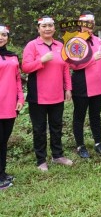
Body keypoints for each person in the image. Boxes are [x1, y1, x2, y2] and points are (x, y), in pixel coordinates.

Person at [22, 16, 73, 171]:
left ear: (54, 29)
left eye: (50, 25)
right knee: (39, 129)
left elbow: (65, 68)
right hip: (38, 96)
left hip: (57, 94)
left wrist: (68, 88)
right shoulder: (32, 46)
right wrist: (42, 60)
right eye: (44, 26)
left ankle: (57, 155)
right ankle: (41, 159)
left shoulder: (60, 45)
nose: (48, 28)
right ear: (38, 29)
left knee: (56, 126)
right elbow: (25, 67)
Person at [69, 11, 101, 158]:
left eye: (91, 23)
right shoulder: (75, 41)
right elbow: (74, 65)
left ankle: (98, 142)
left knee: (95, 115)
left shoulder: (98, 40)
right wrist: (92, 58)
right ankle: (80, 145)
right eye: (86, 23)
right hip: (81, 84)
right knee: (79, 116)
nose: (89, 26)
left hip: (98, 85)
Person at [0, 24, 24, 190]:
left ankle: (2, 172)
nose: (1, 37)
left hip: (9, 104)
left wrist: (20, 98)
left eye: (4, 35)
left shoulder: (12, 57)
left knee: (3, 141)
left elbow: (17, 79)